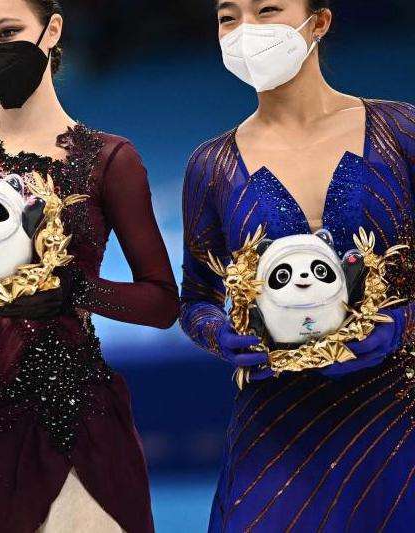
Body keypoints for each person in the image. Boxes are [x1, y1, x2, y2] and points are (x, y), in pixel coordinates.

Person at [0, 1, 179, 532]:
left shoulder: (107, 158)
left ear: (51, 30)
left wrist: (77, 289)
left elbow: (163, 304)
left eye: (7, 32)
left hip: (79, 419)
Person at [181, 0, 415, 531]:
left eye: (267, 10)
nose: (246, 30)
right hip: (277, 427)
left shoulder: (402, 131)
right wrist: (221, 335)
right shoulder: (211, 166)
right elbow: (195, 299)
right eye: (228, 18)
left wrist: (403, 324)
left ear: (320, 21)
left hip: (399, 414)